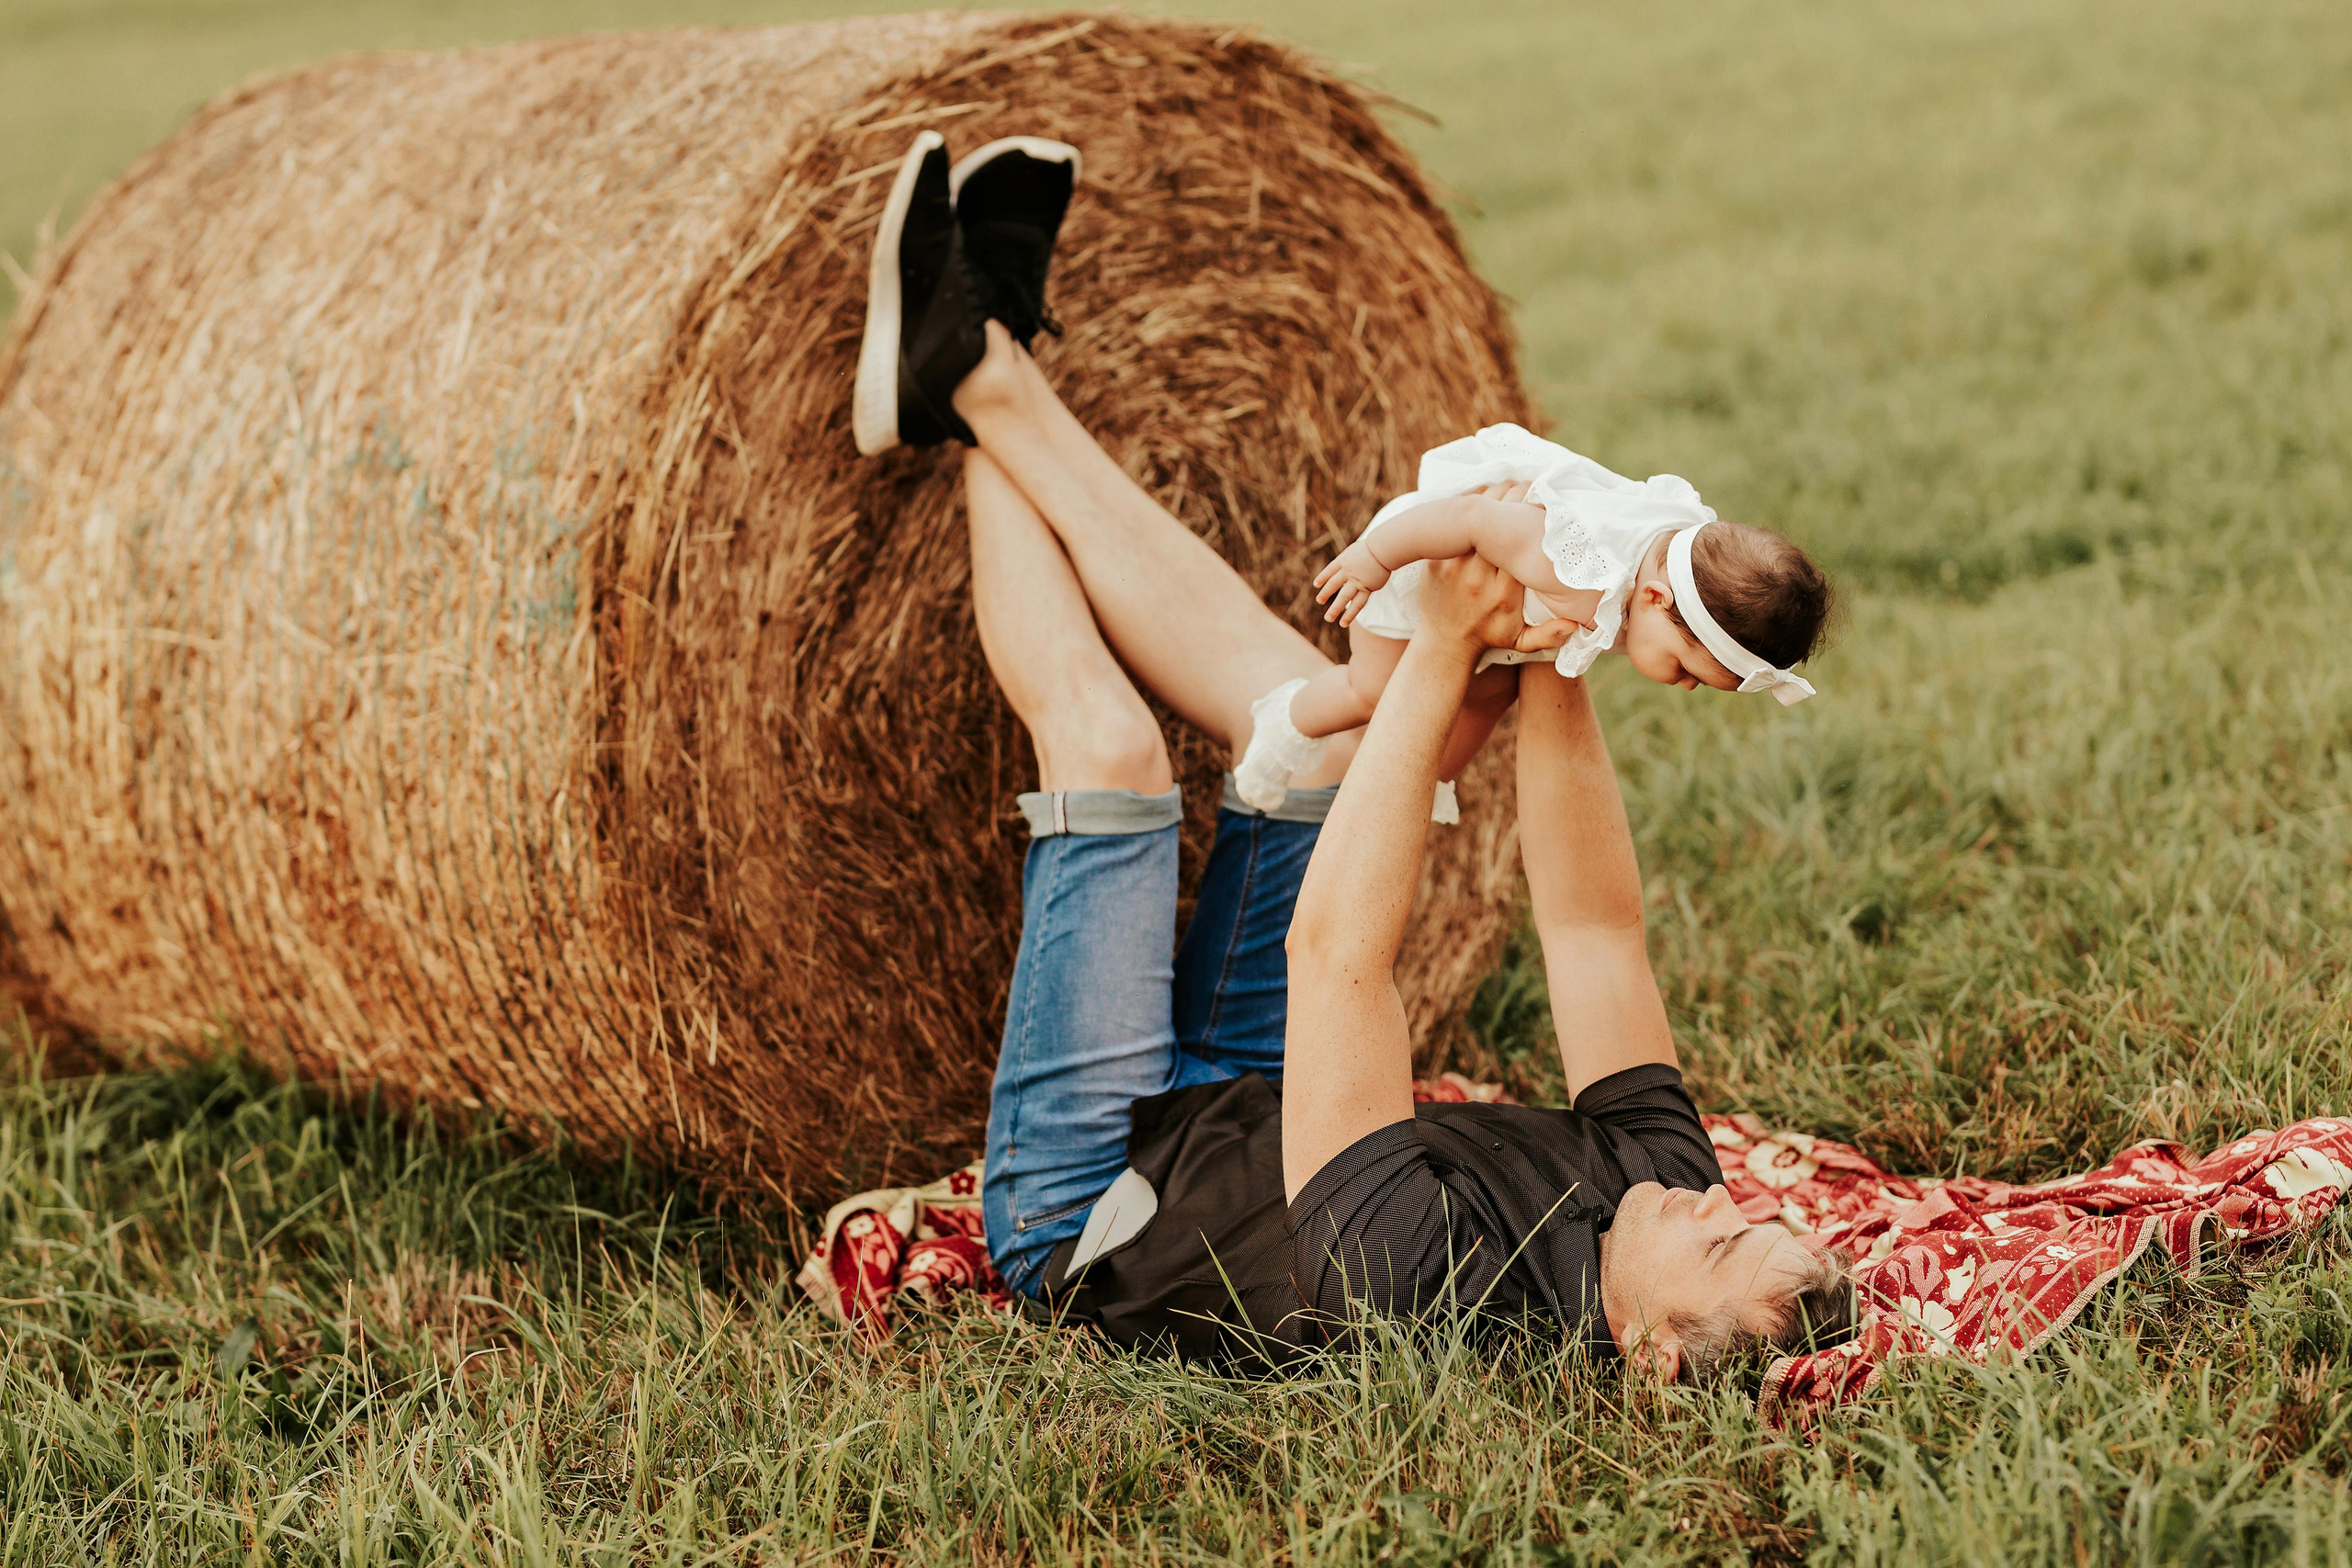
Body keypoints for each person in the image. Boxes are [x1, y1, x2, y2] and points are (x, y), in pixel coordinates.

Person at [853, 132, 1855, 1382]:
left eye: (1720, 1246)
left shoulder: (1426, 1294)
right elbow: (1596, 931)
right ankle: (984, 368)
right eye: (1748, 1214)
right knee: (1302, 726)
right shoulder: (1663, 1188)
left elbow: (1337, 959)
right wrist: (1553, 650)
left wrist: (1441, 647)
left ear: (1651, 1353)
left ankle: (972, 377)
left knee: (1113, 752)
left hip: (1098, 1187)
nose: (1719, 1198)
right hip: (1263, 1087)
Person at [1233, 424, 1836, 816]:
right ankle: (1283, 725)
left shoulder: (1684, 556)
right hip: (1418, 568)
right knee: (1373, 691)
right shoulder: (1573, 564)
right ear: (1654, 597)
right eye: (1687, 669)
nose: (1683, 685)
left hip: (1500, 623)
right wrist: (1373, 558)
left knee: (1488, 696)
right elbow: (1468, 518)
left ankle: (1431, 778)